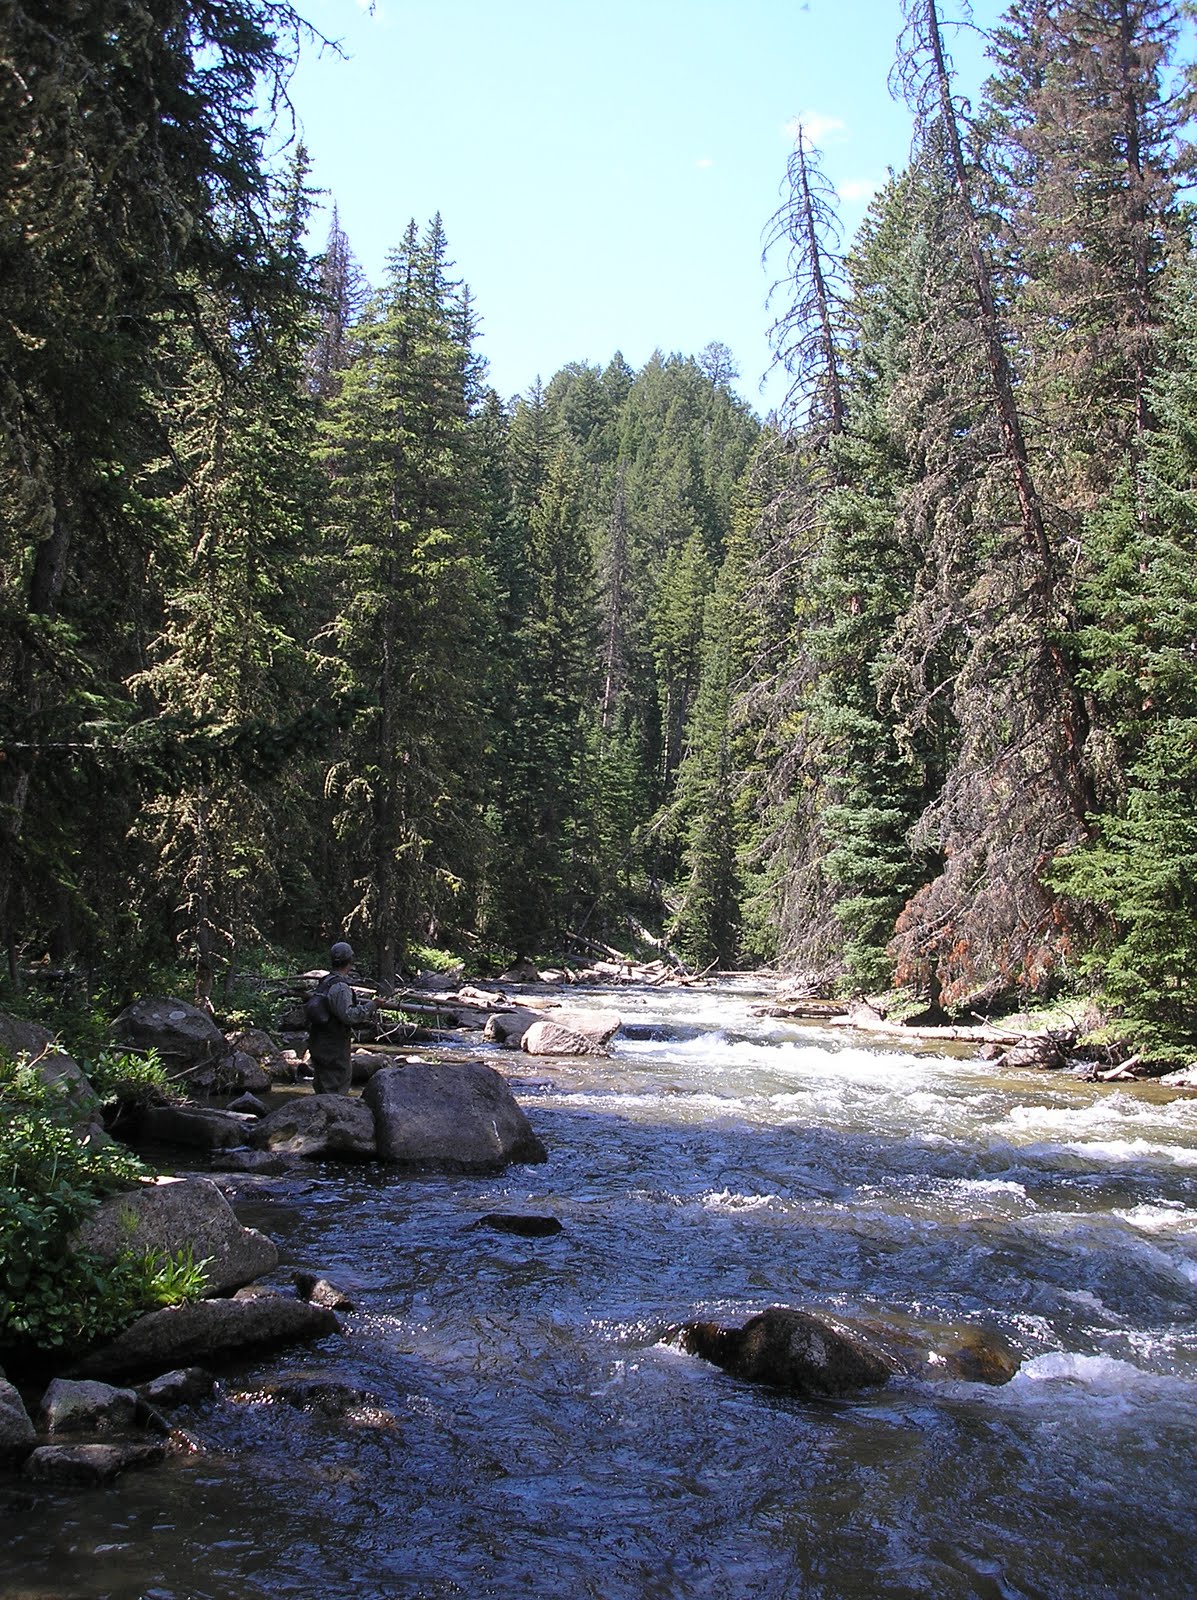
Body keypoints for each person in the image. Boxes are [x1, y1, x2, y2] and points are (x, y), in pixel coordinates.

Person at [305, 941, 377, 1094]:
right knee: (336, 1089)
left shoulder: (325, 981)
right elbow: (349, 1016)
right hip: (333, 1048)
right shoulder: (340, 987)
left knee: (322, 1087)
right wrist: (372, 1005)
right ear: (350, 961)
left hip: (318, 1042)